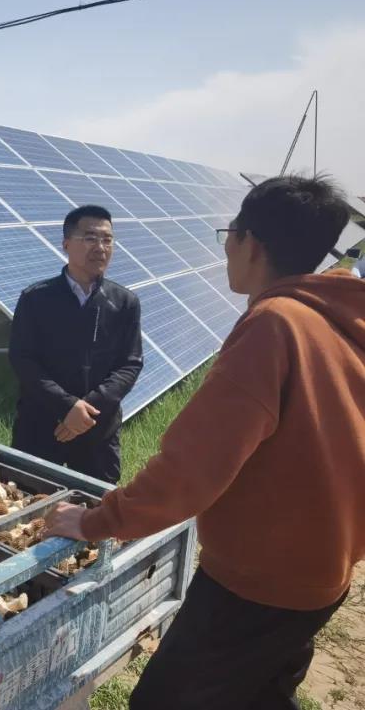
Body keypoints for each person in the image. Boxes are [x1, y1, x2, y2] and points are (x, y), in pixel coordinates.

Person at [46, 175, 365, 710]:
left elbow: (193, 466)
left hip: (258, 583)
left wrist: (100, 519)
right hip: (324, 572)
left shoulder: (275, 325)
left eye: (230, 234)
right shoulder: (342, 320)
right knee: (262, 693)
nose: (227, 248)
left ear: (251, 243)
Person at [8, 205, 143, 484]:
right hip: (42, 427)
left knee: (95, 513)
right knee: (30, 510)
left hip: (98, 430)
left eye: (107, 239)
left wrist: (86, 410)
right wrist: (67, 406)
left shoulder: (124, 303)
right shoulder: (36, 299)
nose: (101, 247)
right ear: (66, 244)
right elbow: (23, 359)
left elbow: (130, 364)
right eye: (90, 238)